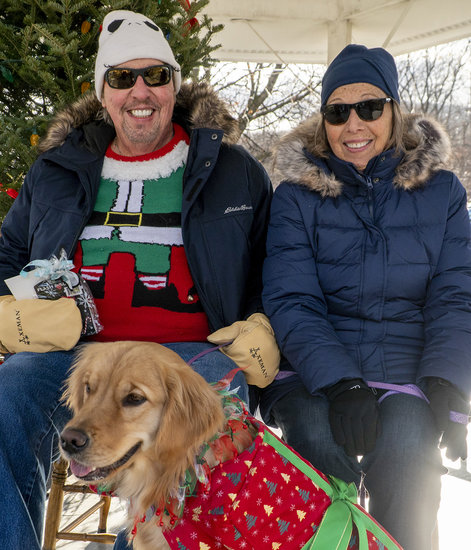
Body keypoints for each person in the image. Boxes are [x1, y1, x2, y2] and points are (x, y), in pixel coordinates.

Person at [0, 10, 278, 549]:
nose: (141, 90)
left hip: (191, 350)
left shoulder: (232, 168)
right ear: (104, 92)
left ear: (175, 85)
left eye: (156, 75)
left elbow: (271, 262)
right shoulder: (57, 168)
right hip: (77, 350)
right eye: (123, 78)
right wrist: (6, 311)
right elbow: (8, 252)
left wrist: (263, 321)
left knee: (217, 399)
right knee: (7, 396)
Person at [261, 44, 471, 549]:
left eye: (370, 108)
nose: (354, 124)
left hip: (405, 370)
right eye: (338, 112)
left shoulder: (441, 193)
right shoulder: (296, 195)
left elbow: (455, 294)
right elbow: (291, 298)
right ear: (324, 120)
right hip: (313, 373)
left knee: (409, 454)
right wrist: (341, 383)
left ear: (395, 111)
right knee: (316, 445)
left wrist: (447, 382)